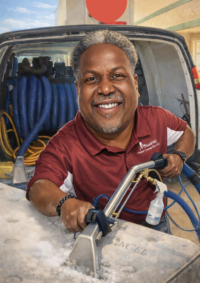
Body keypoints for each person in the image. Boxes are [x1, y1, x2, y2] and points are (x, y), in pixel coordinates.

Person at [27, 30, 195, 234]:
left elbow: (186, 132)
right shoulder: (65, 143)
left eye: (117, 76)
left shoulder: (157, 118)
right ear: (78, 89)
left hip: (157, 226)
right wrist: (64, 204)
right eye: (91, 79)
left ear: (134, 83)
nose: (105, 88)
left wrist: (180, 155)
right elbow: (39, 187)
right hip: (104, 234)